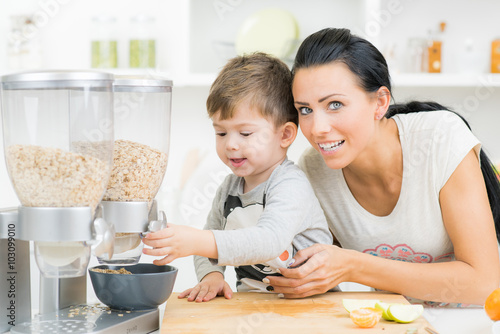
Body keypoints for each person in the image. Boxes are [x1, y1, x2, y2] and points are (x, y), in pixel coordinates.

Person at [264, 28, 500, 306]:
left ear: (380, 102)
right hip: (392, 324)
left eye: (335, 104)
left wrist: (354, 266)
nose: (318, 129)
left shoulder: (440, 138)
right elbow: (320, 268)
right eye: (305, 109)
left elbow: (486, 283)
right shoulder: (315, 170)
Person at [142, 52, 333, 302]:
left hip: (313, 309)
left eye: (245, 133)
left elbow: (269, 241)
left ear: (285, 135)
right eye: (221, 133)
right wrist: (212, 275)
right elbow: (207, 242)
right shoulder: (228, 188)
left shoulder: (290, 184)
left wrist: (197, 240)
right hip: (256, 308)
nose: (231, 144)